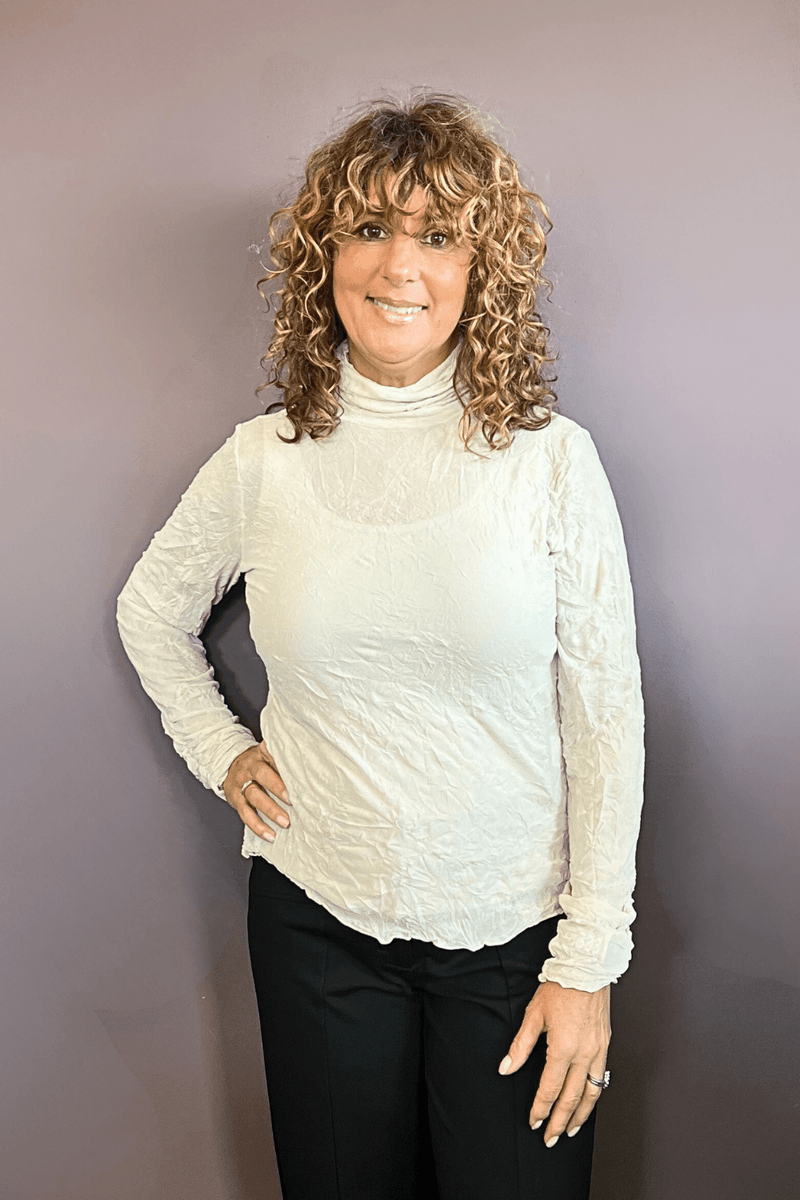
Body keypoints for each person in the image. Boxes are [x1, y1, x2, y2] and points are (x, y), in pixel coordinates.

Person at [117, 92, 645, 1200]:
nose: (400, 266)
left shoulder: (550, 462)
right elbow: (149, 609)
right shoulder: (263, 460)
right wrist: (219, 747)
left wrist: (589, 958)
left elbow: (604, 716)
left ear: (479, 270)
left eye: (437, 234)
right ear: (326, 258)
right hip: (316, 923)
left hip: (516, 938)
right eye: (370, 228)